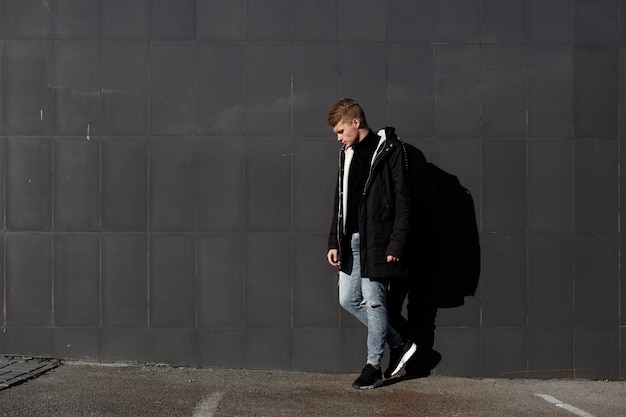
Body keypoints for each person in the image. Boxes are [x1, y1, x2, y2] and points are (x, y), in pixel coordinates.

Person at [326, 98, 417, 389]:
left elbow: (404, 199)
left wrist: (396, 243)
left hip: (376, 240)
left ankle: (373, 365)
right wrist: (334, 241)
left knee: (374, 301)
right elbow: (340, 202)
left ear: (356, 121)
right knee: (347, 299)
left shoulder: (389, 149)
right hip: (349, 239)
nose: (339, 138)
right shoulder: (346, 154)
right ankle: (399, 342)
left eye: (341, 130)